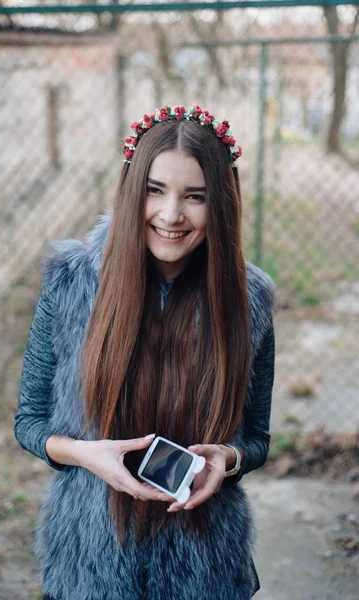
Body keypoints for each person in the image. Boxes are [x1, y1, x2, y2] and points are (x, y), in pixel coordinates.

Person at [14, 104, 276, 600]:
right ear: (132, 188)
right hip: (89, 565)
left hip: (204, 569)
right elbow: (29, 422)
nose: (171, 213)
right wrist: (87, 455)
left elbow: (257, 439)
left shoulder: (250, 301)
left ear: (220, 203)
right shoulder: (71, 284)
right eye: (155, 190)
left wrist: (228, 457)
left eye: (194, 196)